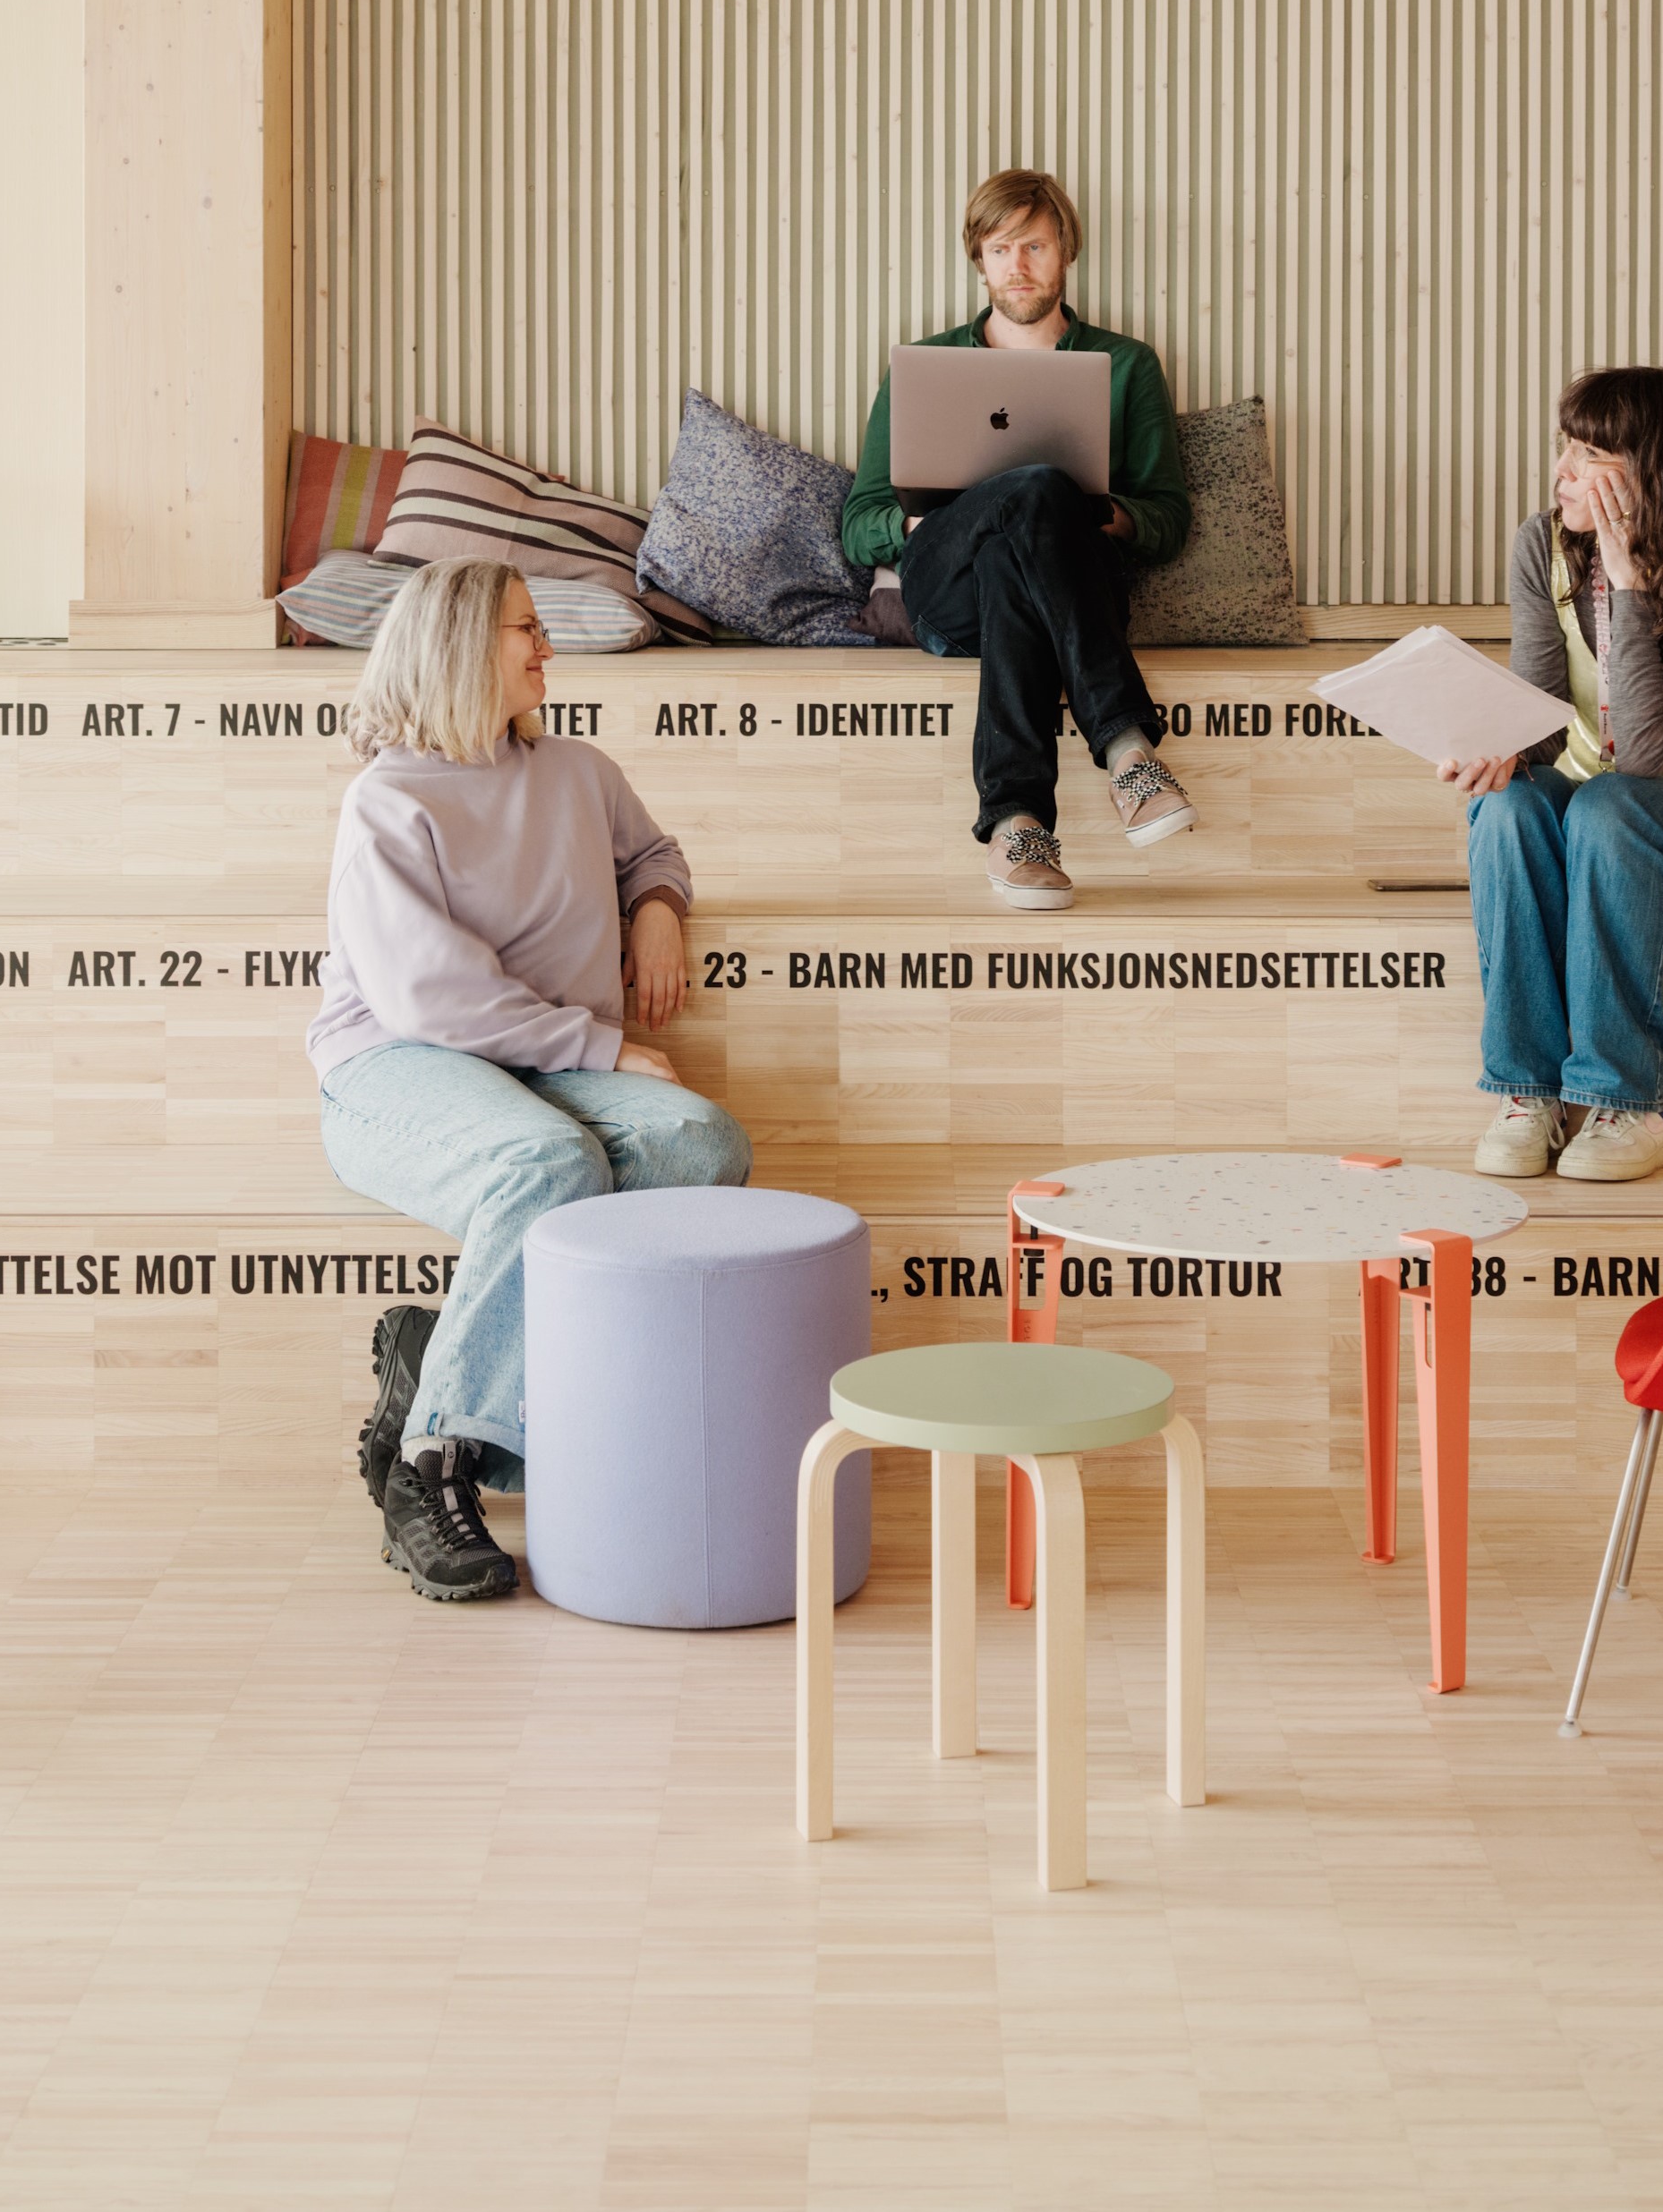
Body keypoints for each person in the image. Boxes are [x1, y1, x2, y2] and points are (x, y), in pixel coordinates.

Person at [310, 552, 749, 1602]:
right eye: (526, 628)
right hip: (400, 1065)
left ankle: (444, 1361)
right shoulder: (387, 802)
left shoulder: (578, 773)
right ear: (464, 647)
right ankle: (430, 1467)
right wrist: (600, 1047)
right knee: (549, 1161)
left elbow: (652, 856)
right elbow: (429, 996)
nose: (546, 646)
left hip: (541, 1064)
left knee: (699, 1143)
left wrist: (655, 913)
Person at [1436, 365, 1663, 1183]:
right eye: (1564, 444)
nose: (1560, 469)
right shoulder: (1541, 545)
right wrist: (1493, 748)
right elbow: (1540, 714)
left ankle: (1634, 1100)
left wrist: (1627, 581)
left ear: (1656, 471)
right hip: (1602, 817)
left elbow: (1643, 751)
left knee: (1611, 803)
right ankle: (1527, 1091)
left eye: (1590, 454)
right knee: (1510, 806)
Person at [841, 165, 1198, 912]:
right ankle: (1128, 753)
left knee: (1019, 547)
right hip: (948, 591)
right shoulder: (923, 365)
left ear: (1066, 249)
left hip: (1067, 582)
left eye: (1034, 245)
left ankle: (1018, 828)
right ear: (978, 258)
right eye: (1000, 248)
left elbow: (1166, 521)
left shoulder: (1126, 365)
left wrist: (1087, 511)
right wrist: (921, 520)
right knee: (1032, 488)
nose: (1018, 266)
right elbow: (859, 521)